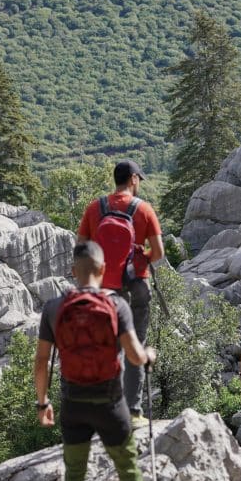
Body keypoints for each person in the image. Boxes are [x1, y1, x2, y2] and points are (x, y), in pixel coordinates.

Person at [34, 241, 157, 481]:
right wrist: (148, 355)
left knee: (75, 474)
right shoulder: (117, 305)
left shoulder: (54, 308)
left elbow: (41, 361)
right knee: (128, 469)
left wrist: (43, 402)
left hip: (73, 404)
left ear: (72, 271)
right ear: (103, 269)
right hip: (110, 404)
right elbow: (134, 356)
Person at [77, 159, 164, 426]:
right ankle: (134, 412)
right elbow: (158, 254)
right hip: (136, 286)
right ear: (134, 179)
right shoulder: (144, 209)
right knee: (135, 346)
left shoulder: (95, 208)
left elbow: (81, 252)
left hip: (104, 291)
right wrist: (140, 257)